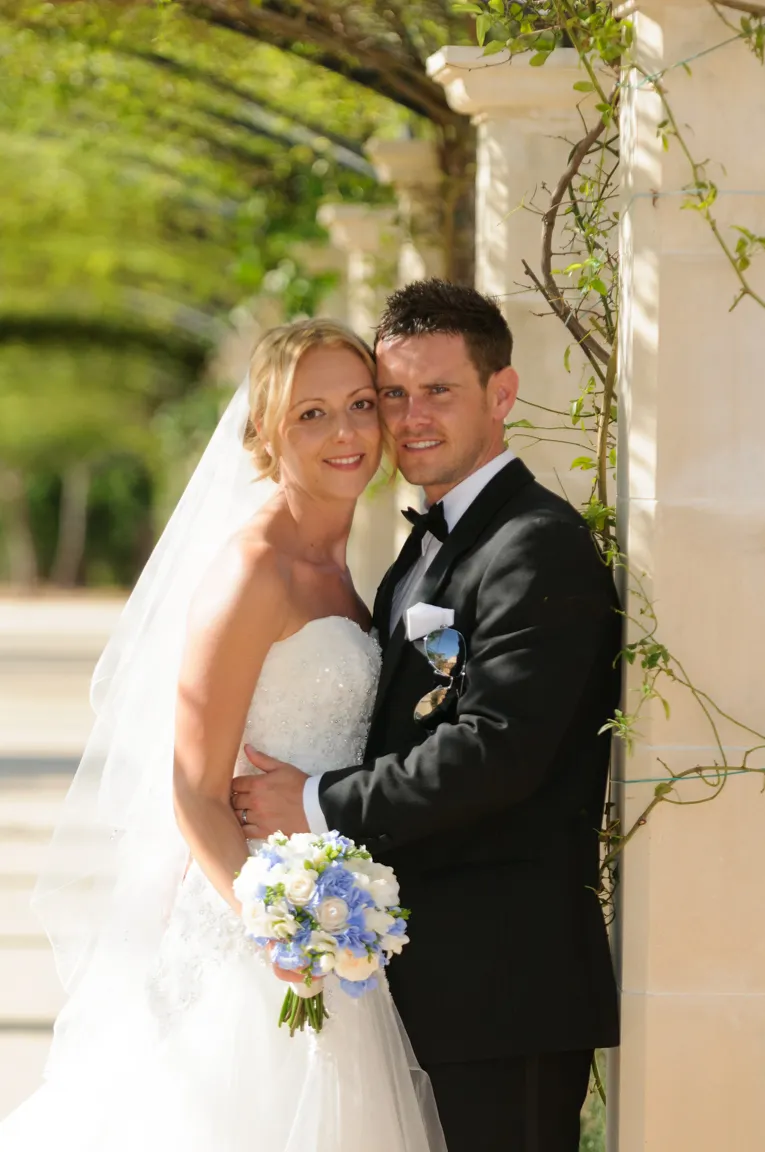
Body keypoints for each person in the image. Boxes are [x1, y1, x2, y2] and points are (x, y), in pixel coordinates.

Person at [0, 318, 445, 1152]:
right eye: (310, 414)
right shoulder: (253, 571)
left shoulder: (345, 569)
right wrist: (273, 927)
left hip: (337, 927)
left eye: (358, 404)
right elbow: (193, 789)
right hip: (258, 937)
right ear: (264, 434)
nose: (346, 432)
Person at [232, 279, 621, 1152]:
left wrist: (316, 802)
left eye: (438, 391)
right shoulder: (431, 540)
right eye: (395, 394)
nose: (410, 417)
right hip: (426, 986)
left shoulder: (533, 544)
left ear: (502, 394)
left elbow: (496, 752)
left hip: (504, 989)